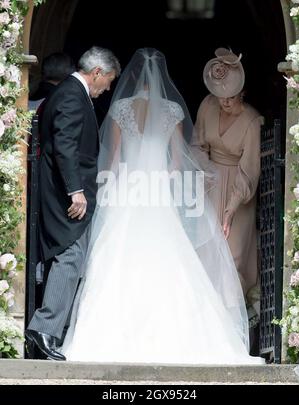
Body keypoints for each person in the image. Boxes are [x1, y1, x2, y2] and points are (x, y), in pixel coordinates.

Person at [60, 48, 264, 365]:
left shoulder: (121, 109)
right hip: (158, 193)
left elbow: (113, 161)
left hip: (130, 190)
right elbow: (178, 162)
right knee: (170, 255)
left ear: (133, 76)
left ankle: (103, 335)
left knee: (117, 257)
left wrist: (108, 189)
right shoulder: (171, 110)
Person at [25, 46, 121, 361]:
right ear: (96, 73)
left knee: (67, 256)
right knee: (70, 255)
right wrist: (75, 190)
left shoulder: (69, 92)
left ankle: (45, 331)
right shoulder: (70, 95)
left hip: (63, 192)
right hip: (65, 196)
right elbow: (65, 144)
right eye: (107, 81)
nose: (107, 88)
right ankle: (44, 331)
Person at [191, 48, 263, 299]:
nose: (225, 101)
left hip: (238, 190)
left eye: (231, 96)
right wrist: (206, 171)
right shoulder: (207, 106)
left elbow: (249, 171)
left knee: (234, 255)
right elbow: (197, 144)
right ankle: (206, 310)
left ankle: (233, 313)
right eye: (220, 96)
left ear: (242, 92)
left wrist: (231, 209)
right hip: (210, 182)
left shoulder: (252, 121)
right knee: (207, 248)